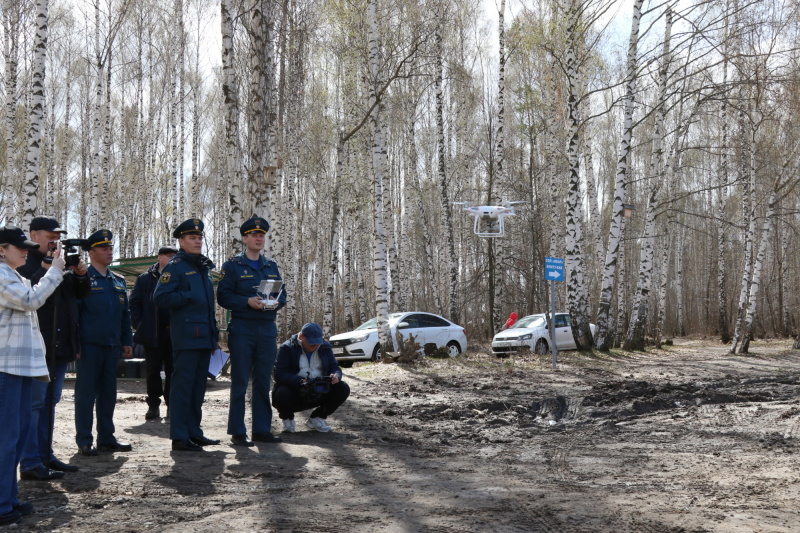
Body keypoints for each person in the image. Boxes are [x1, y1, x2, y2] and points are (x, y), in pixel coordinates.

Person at [0, 225, 64, 526]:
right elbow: (30, 301)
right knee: (6, 437)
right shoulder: (0, 274)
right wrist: (54, 273)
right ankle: (1, 503)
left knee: (18, 434)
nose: (26, 250)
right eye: (18, 246)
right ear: (1, 249)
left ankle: (8, 498)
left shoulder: (14, 274)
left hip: (20, 368)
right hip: (5, 369)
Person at [18, 216, 89, 480]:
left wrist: (81, 275)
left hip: (60, 347)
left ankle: (45, 455)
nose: (55, 240)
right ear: (34, 235)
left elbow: (79, 297)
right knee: (35, 404)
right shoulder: (24, 262)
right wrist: (48, 269)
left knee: (50, 402)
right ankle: (30, 462)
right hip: (38, 347)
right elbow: (29, 295)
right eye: (50, 235)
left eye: (57, 235)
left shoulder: (62, 261)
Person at [217, 217, 286, 447]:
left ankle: (261, 429)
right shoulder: (232, 266)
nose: (258, 238)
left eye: (262, 235)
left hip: (267, 328)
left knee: (263, 380)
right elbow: (223, 297)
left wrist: (276, 303)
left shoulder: (271, 265)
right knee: (239, 381)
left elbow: (282, 295)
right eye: (254, 235)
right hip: (243, 328)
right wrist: (247, 301)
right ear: (244, 239)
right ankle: (237, 431)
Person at [153, 218, 220, 452]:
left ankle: (194, 431)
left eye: (200, 238)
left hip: (204, 337)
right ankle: (179, 436)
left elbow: (208, 308)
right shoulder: (177, 266)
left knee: (198, 388)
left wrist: (214, 338)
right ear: (181, 241)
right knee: (183, 387)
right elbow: (159, 297)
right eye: (192, 238)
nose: (197, 241)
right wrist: (186, 296)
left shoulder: (202, 267)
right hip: (186, 336)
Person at [74, 229, 134, 456]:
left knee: (109, 393)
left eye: (110, 248)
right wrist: (76, 344)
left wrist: (126, 341)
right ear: (91, 252)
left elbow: (124, 315)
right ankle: (84, 439)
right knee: (86, 394)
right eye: (103, 248)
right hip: (88, 346)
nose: (109, 252)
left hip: (111, 346)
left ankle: (107, 437)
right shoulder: (81, 280)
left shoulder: (117, 281)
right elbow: (75, 315)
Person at [273, 322, 349, 433]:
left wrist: (336, 376)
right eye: (311, 343)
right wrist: (300, 381)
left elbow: (335, 367)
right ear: (302, 336)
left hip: (319, 389)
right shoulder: (287, 347)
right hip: (296, 390)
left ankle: (317, 418)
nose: (315, 346)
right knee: (281, 393)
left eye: (317, 343)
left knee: (343, 388)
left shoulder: (325, 347)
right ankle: (288, 420)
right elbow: (279, 373)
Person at [130, 246, 177, 420]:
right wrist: (139, 324)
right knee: (152, 370)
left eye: (175, 256)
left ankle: (172, 405)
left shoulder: (177, 276)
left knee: (174, 370)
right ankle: (153, 405)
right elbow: (134, 303)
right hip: (152, 332)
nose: (173, 259)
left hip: (174, 333)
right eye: (169, 256)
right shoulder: (144, 279)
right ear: (160, 257)